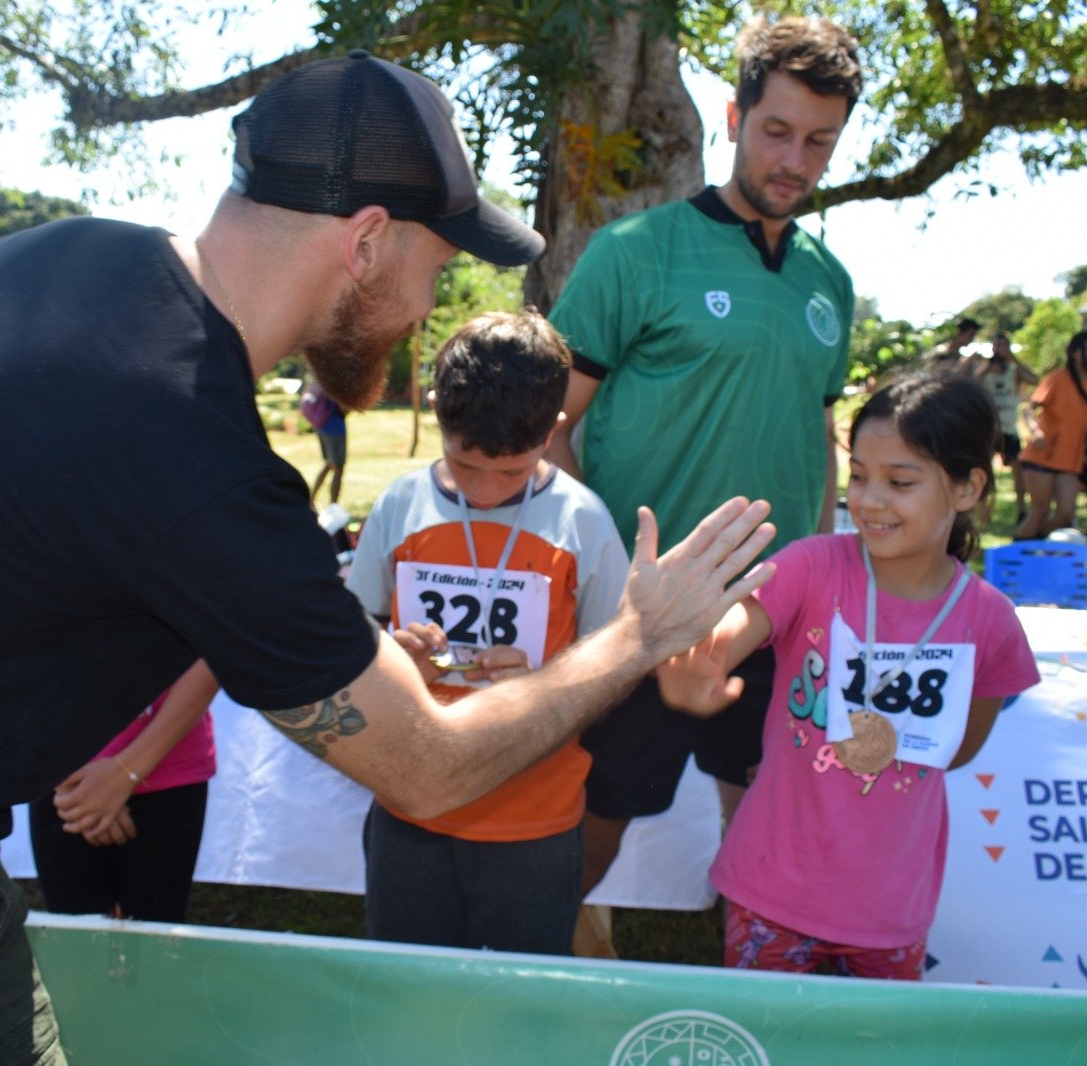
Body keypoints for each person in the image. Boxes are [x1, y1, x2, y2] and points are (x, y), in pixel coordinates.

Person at [0, 52, 777, 1065]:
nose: (432, 306)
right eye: (437, 267)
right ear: (365, 241)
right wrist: (638, 633)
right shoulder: (200, 466)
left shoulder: (56, 254)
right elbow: (427, 762)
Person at [545, 15, 864, 913]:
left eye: (819, 142)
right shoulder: (635, 254)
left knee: (767, 823)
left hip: (777, 610)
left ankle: (756, 980)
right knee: (592, 830)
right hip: (644, 614)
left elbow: (818, 437)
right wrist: (611, 571)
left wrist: (823, 572)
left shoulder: (830, 283)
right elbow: (552, 429)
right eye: (776, 131)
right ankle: (536, 968)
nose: (795, 159)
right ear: (733, 117)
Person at [657, 372, 1039, 980]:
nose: (869, 500)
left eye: (900, 482)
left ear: (967, 489)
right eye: (859, 475)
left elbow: (960, 749)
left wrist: (880, 745)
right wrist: (696, 661)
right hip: (770, 888)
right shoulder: (813, 566)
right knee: (766, 1038)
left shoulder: (989, 621)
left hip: (889, 905)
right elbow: (732, 629)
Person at [346, 311, 628, 955]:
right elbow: (356, 632)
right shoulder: (399, 505)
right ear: (440, 413)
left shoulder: (582, 520)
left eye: (510, 472)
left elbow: (617, 660)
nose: (483, 488)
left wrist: (547, 687)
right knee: (406, 990)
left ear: (554, 430)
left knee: (518, 1010)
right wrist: (392, 660)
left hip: (534, 819)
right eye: (464, 464)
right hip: (411, 808)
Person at [29, 660, 218, 924]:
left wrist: (124, 772)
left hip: (167, 762)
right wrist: (78, 779)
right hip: (63, 773)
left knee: (153, 950)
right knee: (76, 947)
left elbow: (211, 653)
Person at [1014, 330, 1087, 540]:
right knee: (1039, 511)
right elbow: (1029, 409)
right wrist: (1035, 430)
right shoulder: (1057, 378)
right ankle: (1015, 555)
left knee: (1066, 514)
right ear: (1075, 353)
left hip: (1069, 461)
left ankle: (1033, 544)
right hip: (1043, 455)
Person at [968, 331, 1037, 522]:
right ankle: (980, 511)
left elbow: (1035, 380)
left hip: (1009, 429)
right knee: (982, 471)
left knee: (1018, 471)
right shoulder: (985, 370)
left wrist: (1013, 359)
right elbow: (971, 386)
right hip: (989, 430)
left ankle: (1022, 510)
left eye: (1003, 346)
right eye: (996, 346)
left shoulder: (1014, 370)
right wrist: (985, 367)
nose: (999, 350)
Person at [302, 378, 349, 505]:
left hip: (323, 426)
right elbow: (344, 406)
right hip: (334, 427)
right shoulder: (337, 378)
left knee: (330, 464)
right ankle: (333, 505)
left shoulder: (325, 377)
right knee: (338, 468)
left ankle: (311, 499)